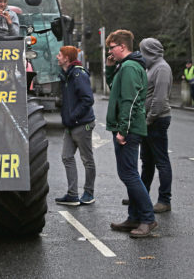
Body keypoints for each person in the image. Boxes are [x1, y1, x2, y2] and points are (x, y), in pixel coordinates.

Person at [105, 29, 156, 238]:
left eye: (111, 48)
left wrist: (123, 130)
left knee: (129, 175)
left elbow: (130, 101)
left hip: (128, 129)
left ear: (122, 46)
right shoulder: (123, 67)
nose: (110, 52)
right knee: (129, 174)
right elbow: (115, 92)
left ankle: (147, 219)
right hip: (126, 127)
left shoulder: (130, 67)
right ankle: (134, 217)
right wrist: (109, 69)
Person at [54, 46, 96, 206]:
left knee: (87, 159)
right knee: (66, 157)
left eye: (60, 55)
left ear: (67, 58)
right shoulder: (67, 75)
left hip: (82, 124)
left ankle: (89, 193)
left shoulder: (78, 74)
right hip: (71, 125)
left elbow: (88, 99)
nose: (57, 57)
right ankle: (72, 194)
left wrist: (73, 116)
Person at [138, 38, 173, 213]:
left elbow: (159, 100)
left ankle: (164, 200)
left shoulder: (161, 68)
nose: (141, 55)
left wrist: (148, 120)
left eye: (143, 51)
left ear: (150, 51)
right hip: (149, 121)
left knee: (161, 161)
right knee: (147, 161)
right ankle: (141, 196)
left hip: (157, 120)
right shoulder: (151, 67)